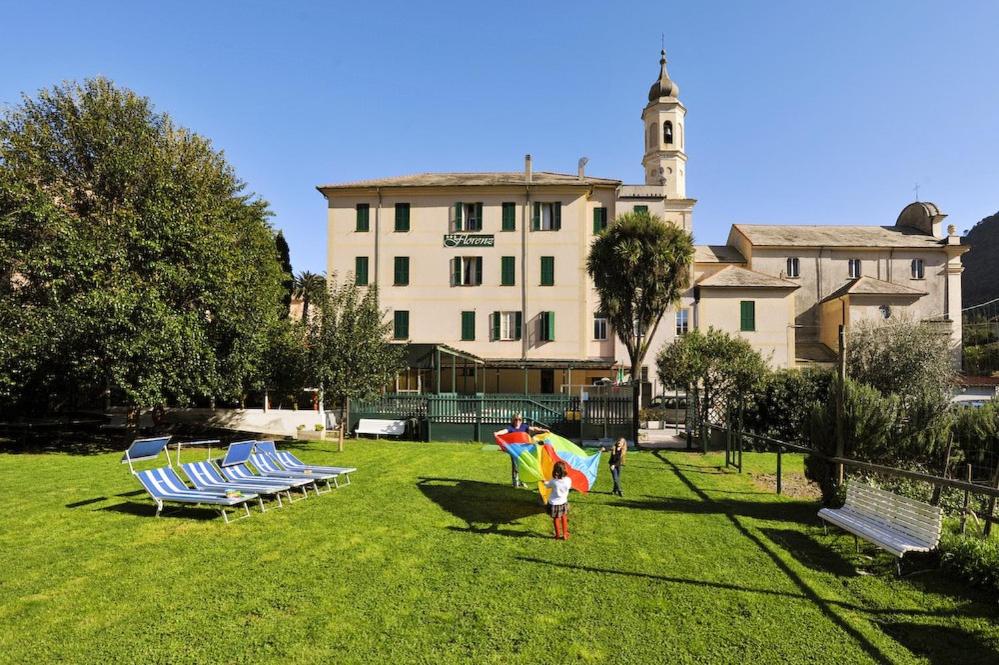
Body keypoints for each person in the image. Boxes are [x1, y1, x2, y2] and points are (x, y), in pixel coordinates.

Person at [494, 413, 548, 488]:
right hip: (515, 450)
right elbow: (505, 431)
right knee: (515, 465)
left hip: (524, 449)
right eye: (516, 419)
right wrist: (497, 433)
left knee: (523, 465)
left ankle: (522, 481)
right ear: (513, 420)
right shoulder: (511, 428)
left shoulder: (524, 426)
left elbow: (534, 429)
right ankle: (515, 482)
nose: (518, 421)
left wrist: (543, 430)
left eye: (520, 419)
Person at [543, 461, 573, 540]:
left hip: (554, 504)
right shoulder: (568, 480)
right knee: (564, 517)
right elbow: (569, 487)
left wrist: (544, 481)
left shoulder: (553, 482)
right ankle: (565, 534)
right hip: (563, 503)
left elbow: (547, 485)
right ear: (564, 470)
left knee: (556, 519)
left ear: (555, 471)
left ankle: (557, 535)